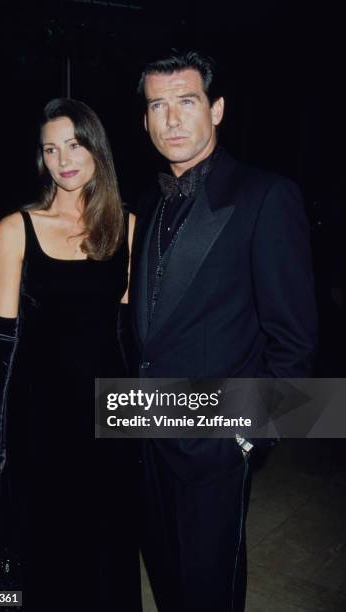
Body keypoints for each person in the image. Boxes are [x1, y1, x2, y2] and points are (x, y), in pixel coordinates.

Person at [129, 50, 317, 611]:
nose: (172, 119)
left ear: (217, 109)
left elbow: (296, 339)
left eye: (186, 101)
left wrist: (249, 439)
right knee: (166, 579)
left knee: (210, 589)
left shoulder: (266, 196)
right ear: (145, 120)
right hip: (144, 431)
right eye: (157, 106)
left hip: (215, 436)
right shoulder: (147, 200)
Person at [0, 98, 141, 611]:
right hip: (41, 417)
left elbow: (127, 335)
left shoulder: (127, 227)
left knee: (107, 542)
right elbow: (0, 344)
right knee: (47, 547)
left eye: (73, 144)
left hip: (108, 414)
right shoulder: (15, 229)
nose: (62, 159)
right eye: (50, 148)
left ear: (97, 148)